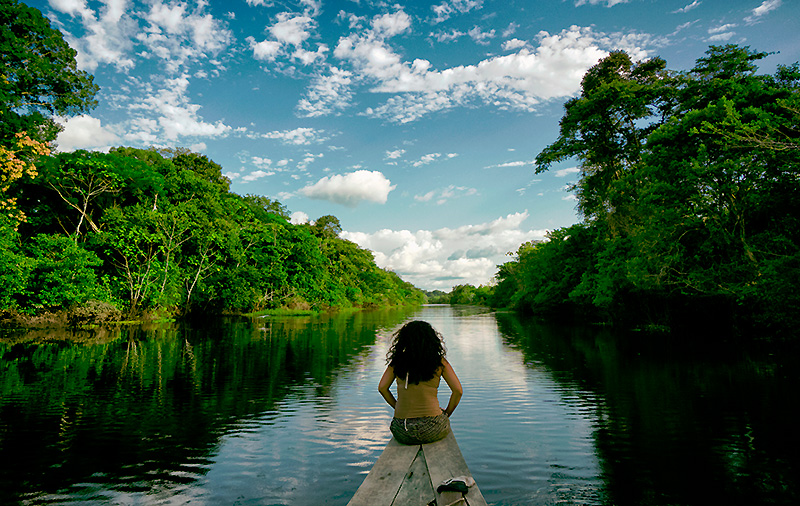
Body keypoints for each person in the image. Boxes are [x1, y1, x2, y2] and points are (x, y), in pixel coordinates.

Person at [378, 320, 463, 445]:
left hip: (403, 429)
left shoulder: (397, 362)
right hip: (433, 428)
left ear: (404, 340)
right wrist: (446, 414)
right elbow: (458, 391)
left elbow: (382, 388)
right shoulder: (439, 362)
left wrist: (397, 406)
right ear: (431, 340)